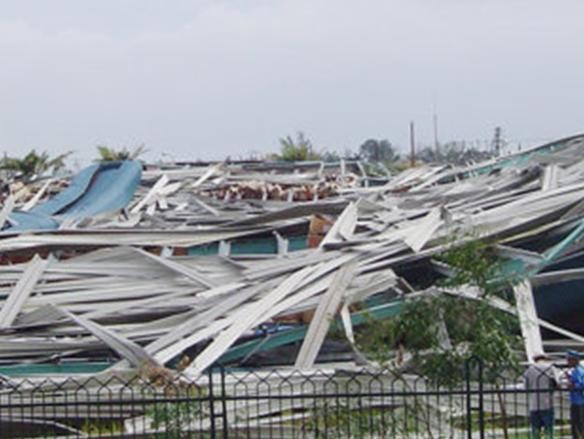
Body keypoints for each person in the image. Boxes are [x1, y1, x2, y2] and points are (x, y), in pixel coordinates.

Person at [525, 353, 557, 438]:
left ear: (535, 359)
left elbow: (526, 386)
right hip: (547, 403)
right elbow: (556, 384)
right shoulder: (551, 368)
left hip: (534, 404)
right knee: (549, 430)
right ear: (545, 359)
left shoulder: (529, 370)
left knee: (535, 430)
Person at [567, 350, 584, 438]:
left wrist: (573, 385)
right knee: (576, 423)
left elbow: (582, 384)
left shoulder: (579, 370)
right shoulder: (575, 370)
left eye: (569, 360)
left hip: (579, 401)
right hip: (575, 400)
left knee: (579, 423)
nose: (568, 362)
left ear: (575, 360)